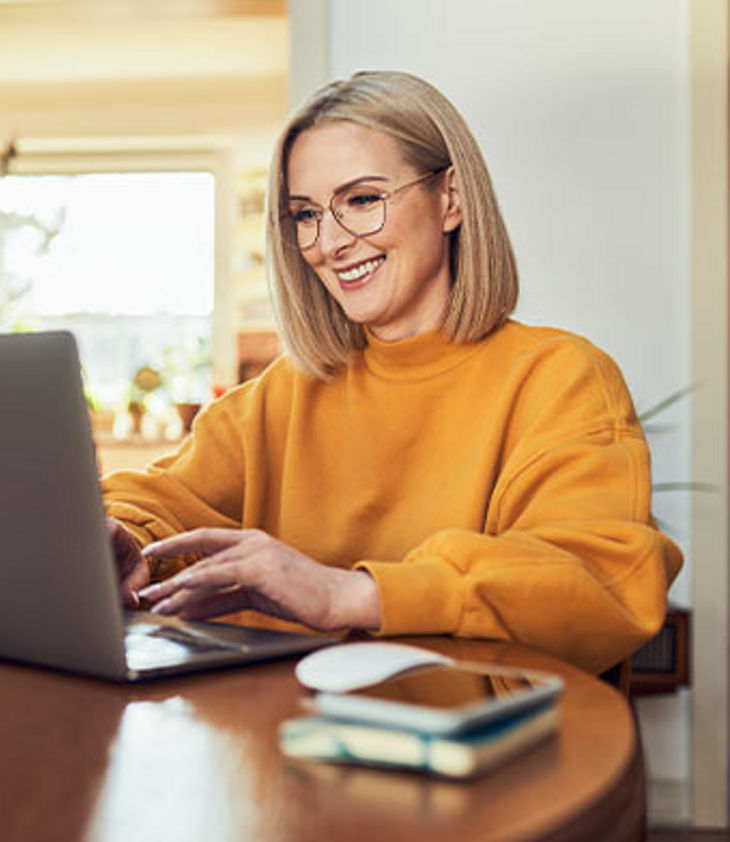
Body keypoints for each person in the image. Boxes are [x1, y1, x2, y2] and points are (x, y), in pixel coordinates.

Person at [101, 71, 682, 674]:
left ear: (450, 199)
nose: (328, 243)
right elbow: (160, 496)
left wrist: (351, 594)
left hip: (472, 748)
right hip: (293, 739)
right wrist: (124, 537)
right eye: (306, 214)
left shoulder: (560, 378)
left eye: (361, 200)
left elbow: (599, 581)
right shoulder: (285, 393)